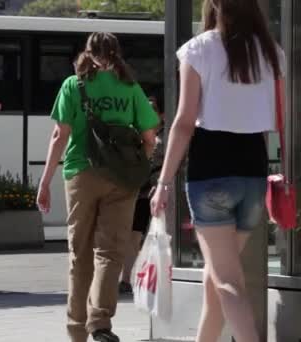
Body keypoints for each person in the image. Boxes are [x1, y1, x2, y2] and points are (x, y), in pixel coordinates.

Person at [150, 1, 285, 341]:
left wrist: (164, 182)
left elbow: (182, 123)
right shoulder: (271, 53)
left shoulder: (199, 49)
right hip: (254, 173)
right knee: (216, 280)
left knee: (228, 282)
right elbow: (279, 119)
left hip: (210, 172)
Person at [37, 32, 159, 342]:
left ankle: (76, 330)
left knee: (80, 254)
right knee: (110, 253)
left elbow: (59, 136)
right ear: (117, 54)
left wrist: (45, 181)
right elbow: (150, 137)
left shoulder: (73, 86)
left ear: (88, 54)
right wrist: (135, 168)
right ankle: (100, 323)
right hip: (121, 181)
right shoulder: (130, 88)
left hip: (81, 175)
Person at [119, 96, 165, 294]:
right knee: (133, 236)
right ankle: (126, 279)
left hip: (161, 193)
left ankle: (164, 275)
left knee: (161, 236)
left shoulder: (167, 137)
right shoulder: (135, 135)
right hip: (140, 192)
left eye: (152, 109)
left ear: (161, 114)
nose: (148, 113)